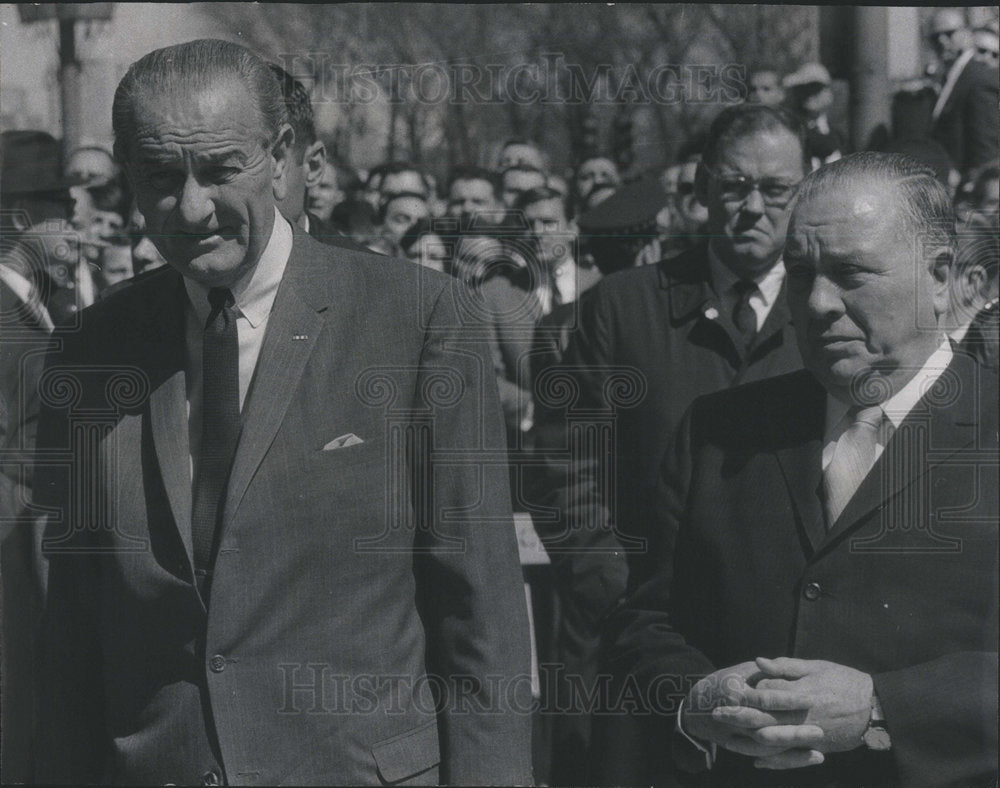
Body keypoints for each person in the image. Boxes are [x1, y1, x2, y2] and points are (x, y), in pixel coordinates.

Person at [32, 39, 532, 786]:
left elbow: (479, 614)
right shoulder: (93, 346)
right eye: (162, 177)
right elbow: (73, 627)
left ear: (283, 153)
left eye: (221, 169)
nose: (192, 207)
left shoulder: (417, 319)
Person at [603, 152, 998, 786]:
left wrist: (881, 708)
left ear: (943, 278)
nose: (816, 303)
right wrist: (694, 697)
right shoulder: (720, 430)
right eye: (800, 272)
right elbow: (644, 621)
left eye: (851, 272)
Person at [531, 104, 808, 785]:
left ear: (802, 193)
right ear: (701, 191)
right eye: (733, 186)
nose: (752, 207)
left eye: (775, 190)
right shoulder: (623, 308)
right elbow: (566, 464)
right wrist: (612, 590)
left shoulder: (828, 310)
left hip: (790, 655)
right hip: (636, 647)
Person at [927, 8, 1000, 171]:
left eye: (949, 33)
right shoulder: (951, 77)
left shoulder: (978, 79)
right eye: (935, 36)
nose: (941, 41)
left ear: (967, 34)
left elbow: (986, 151)